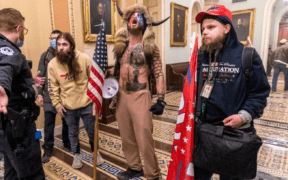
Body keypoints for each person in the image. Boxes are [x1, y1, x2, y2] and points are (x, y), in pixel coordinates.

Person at [194, 5, 270, 180]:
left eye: (211, 27)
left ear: (227, 28)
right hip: (204, 132)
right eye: (203, 28)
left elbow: (260, 93)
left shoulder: (247, 55)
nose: (204, 32)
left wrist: (243, 116)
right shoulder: (201, 56)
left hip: (233, 135)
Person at [111, 4, 169, 180]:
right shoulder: (120, 45)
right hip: (122, 96)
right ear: (127, 21)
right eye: (131, 16)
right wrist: (111, 91)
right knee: (126, 136)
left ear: (145, 22)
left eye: (139, 16)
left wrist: (161, 100)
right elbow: (117, 69)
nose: (134, 18)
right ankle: (134, 167)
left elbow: (158, 73)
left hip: (140, 95)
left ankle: (152, 174)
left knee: (144, 138)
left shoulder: (150, 47)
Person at [0, 8, 46, 179]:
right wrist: (2, 88)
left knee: (11, 167)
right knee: (32, 172)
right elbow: (5, 67)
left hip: (5, 126)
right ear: (19, 29)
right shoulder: (8, 50)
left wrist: (29, 84)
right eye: (23, 30)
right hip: (18, 128)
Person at [47, 32, 104, 169]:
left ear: (71, 46)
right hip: (68, 107)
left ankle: (95, 152)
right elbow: (52, 87)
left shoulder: (83, 59)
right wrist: (57, 104)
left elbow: (94, 81)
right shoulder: (52, 64)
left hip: (87, 104)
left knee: (92, 131)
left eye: (64, 45)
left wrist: (96, 101)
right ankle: (77, 155)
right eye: (59, 45)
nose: (61, 48)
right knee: (72, 133)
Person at [37, 30, 71, 163]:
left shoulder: (68, 56)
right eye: (51, 38)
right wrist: (39, 94)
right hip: (49, 96)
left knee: (67, 122)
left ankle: (67, 143)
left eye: (56, 39)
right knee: (49, 124)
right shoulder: (45, 56)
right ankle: (48, 149)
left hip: (65, 95)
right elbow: (40, 76)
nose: (53, 41)